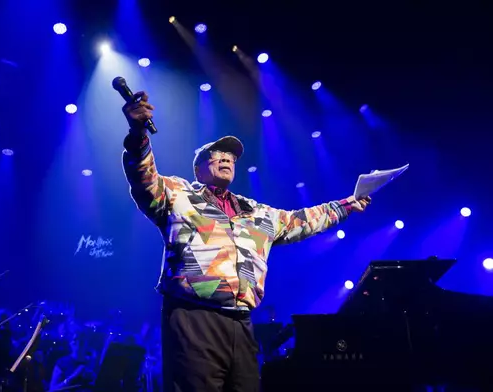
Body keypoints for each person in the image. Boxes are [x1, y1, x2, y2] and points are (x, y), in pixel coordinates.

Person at [120, 91, 371, 392]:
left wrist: (347, 204)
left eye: (231, 156)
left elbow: (303, 221)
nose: (226, 157)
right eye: (216, 154)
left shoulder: (256, 213)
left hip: (241, 321)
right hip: (194, 316)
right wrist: (138, 133)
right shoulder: (178, 196)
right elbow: (143, 176)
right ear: (198, 169)